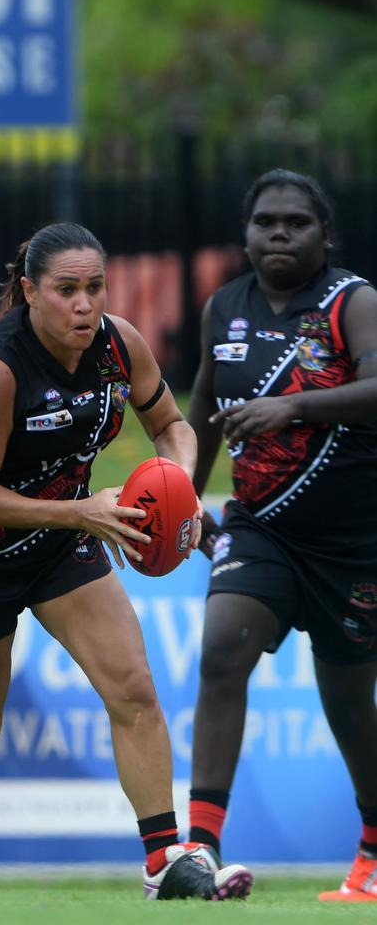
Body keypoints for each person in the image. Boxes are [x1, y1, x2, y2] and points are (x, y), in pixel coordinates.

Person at [0, 221, 253, 901]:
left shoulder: (119, 343)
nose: (85, 305)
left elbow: (173, 427)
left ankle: (164, 862)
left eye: (95, 288)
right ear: (29, 291)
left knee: (134, 690)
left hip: (63, 543)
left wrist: (176, 483)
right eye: (67, 290)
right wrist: (80, 511)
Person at [186, 169, 377, 902]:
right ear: (246, 233)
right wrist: (185, 497)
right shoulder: (223, 306)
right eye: (265, 222)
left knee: (350, 704)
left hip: (353, 541)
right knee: (220, 648)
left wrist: (295, 408)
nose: (279, 234)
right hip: (259, 527)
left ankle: (373, 842)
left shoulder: (351, 302)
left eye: (297, 223)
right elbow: (203, 405)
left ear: (325, 235)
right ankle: (199, 847)